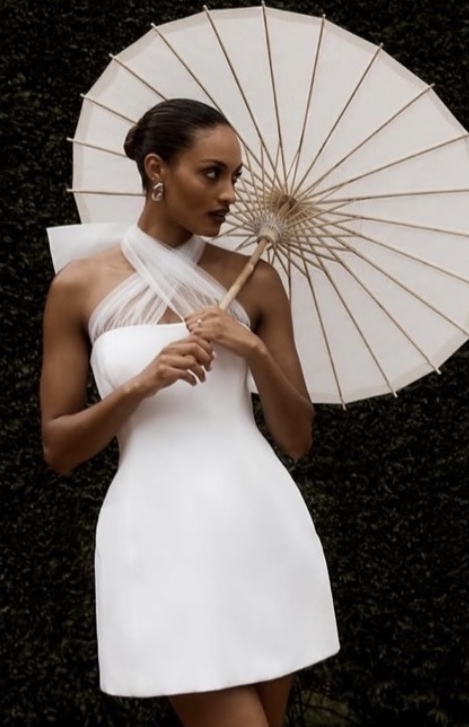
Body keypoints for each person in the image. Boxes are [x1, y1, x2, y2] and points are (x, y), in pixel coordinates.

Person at [40, 98, 339, 727]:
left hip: (261, 525)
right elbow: (59, 448)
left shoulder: (256, 282)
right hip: (159, 533)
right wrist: (138, 385)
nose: (230, 194)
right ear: (157, 170)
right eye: (211, 173)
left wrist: (252, 349)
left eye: (236, 177)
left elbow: (298, 437)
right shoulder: (79, 286)